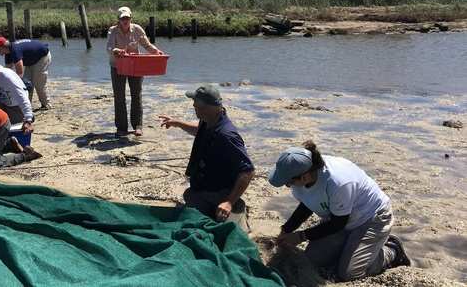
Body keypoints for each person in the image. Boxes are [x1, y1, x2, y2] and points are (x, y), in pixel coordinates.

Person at [268, 141, 411, 282]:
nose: (288, 186)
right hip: (340, 216)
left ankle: (391, 250)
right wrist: (286, 229)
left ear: (304, 176)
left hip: (371, 218)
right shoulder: (306, 174)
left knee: (349, 273)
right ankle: (352, 249)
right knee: (312, 260)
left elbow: (338, 224)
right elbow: (308, 204)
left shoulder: (338, 183)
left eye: (289, 182)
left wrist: (300, 236)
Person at [159, 84, 254, 228]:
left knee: (219, 228)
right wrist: (177, 123)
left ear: (209, 107)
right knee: (190, 196)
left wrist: (228, 202)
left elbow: (248, 171)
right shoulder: (209, 120)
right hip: (202, 189)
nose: (193, 106)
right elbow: (199, 131)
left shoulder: (227, 135)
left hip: (219, 192)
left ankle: (234, 206)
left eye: (197, 104)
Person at [106, 6, 163, 137]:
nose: (125, 20)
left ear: (131, 18)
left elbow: (147, 44)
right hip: (117, 66)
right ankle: (121, 128)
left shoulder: (137, 29)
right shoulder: (112, 31)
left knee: (136, 95)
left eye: (127, 18)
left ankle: (138, 126)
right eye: (122, 18)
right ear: (118, 20)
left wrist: (156, 52)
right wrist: (115, 51)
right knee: (119, 97)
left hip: (135, 66)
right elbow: (109, 47)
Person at [0, 36, 52, 110]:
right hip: (31, 59)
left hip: (42, 57)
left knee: (38, 82)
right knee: (27, 83)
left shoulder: (15, 50)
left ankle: (46, 104)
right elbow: (6, 70)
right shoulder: (8, 53)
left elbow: (19, 73)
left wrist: (13, 84)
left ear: (1, 47)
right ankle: (27, 105)